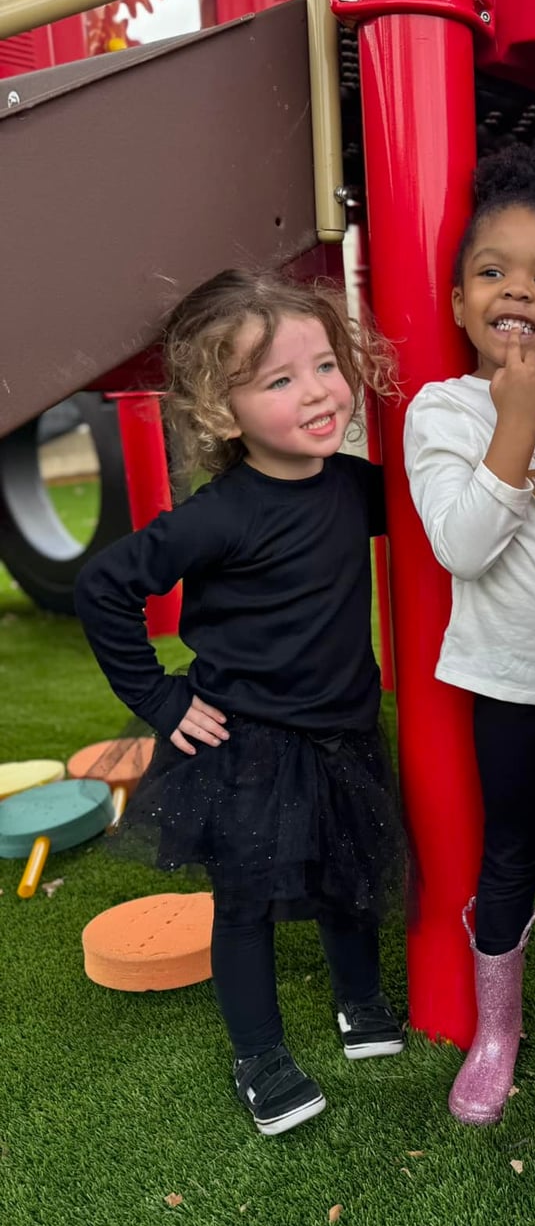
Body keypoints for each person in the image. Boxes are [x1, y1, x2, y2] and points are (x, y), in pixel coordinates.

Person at [75, 269, 406, 1137]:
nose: (318, 393)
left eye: (325, 365)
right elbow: (105, 587)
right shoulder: (218, 515)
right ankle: (259, 1054)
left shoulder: (355, 487)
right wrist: (158, 696)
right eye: (279, 380)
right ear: (224, 410)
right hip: (246, 744)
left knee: (352, 872)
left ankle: (360, 1002)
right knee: (247, 902)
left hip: (342, 731)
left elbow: (433, 511)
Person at [403, 141, 535, 1127]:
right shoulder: (440, 409)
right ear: (458, 301)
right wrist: (515, 421)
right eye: (492, 271)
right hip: (514, 689)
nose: (516, 292)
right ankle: (497, 1032)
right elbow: (461, 543)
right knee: (512, 857)